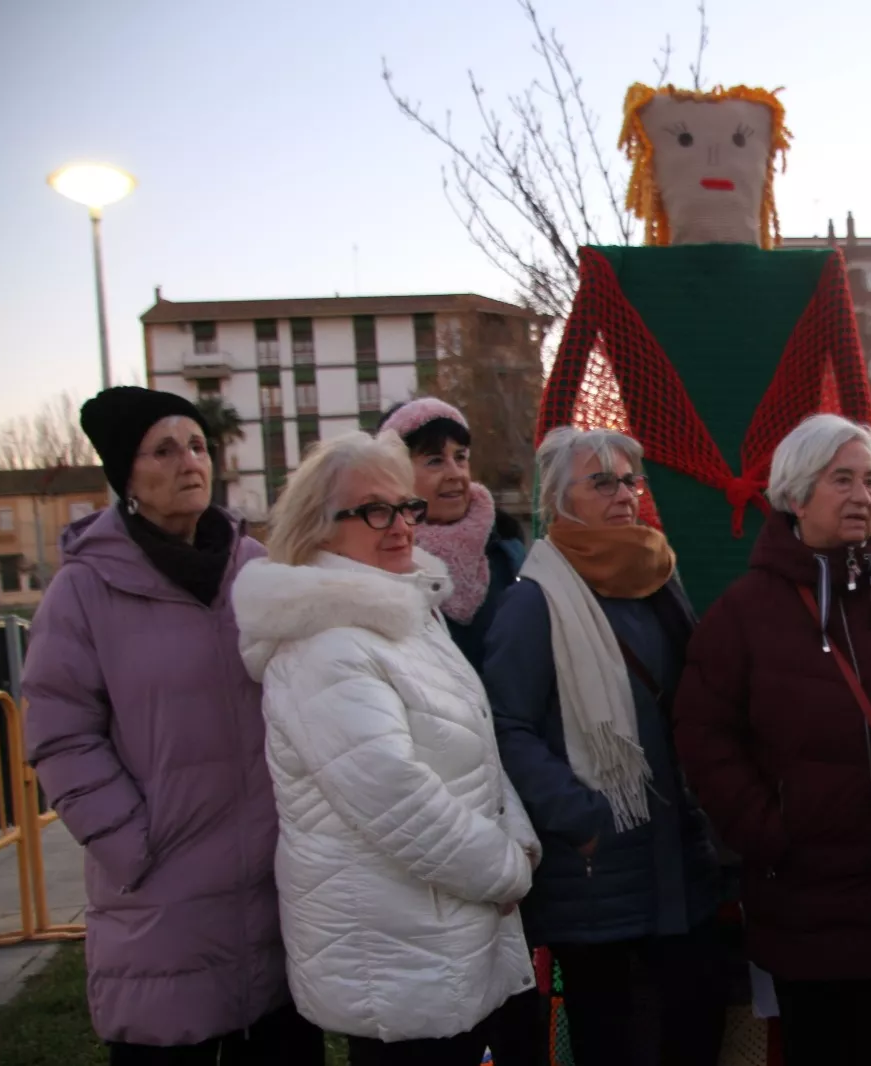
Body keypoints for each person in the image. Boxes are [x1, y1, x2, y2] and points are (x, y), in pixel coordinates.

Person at [674, 413, 871, 1066]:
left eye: (870, 481)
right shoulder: (743, 614)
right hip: (805, 906)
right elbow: (704, 737)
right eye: (842, 479)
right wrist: (770, 830)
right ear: (796, 495)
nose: (862, 496)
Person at [22, 386, 323, 1064]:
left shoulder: (255, 569)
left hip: (273, 884)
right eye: (163, 450)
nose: (190, 462)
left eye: (197, 446)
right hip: (162, 892)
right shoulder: (83, 590)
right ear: (125, 477)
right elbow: (61, 734)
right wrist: (132, 843)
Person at [232, 432, 539, 1066]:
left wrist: (518, 836)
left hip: (446, 932)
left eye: (405, 506)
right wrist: (505, 869)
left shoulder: (403, 612)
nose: (400, 525)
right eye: (374, 510)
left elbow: (473, 742)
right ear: (320, 526)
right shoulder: (325, 644)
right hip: (398, 957)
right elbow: (396, 797)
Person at [484, 426, 726, 1066]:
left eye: (629, 480)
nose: (623, 494)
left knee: (695, 1028)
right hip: (595, 878)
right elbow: (505, 727)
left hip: (680, 859)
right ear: (558, 501)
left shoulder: (658, 576)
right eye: (602, 482)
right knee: (614, 1041)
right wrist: (582, 817)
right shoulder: (533, 603)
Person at [377, 397, 527, 671]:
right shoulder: (379, 561)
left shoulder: (506, 550)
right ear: (396, 473)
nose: (455, 474)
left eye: (460, 457)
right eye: (435, 461)